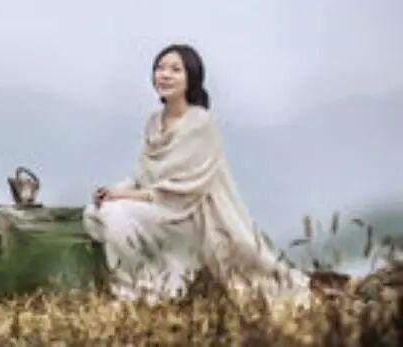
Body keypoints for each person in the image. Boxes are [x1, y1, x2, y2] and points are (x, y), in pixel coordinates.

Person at [83, 44, 310, 307]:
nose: (165, 75)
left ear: (191, 78)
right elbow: (141, 175)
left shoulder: (199, 122)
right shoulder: (154, 121)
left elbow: (183, 189)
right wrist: (111, 192)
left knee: (116, 213)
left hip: (186, 214)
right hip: (155, 208)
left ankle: (136, 291)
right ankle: (146, 278)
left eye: (175, 69)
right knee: (95, 212)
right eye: (160, 68)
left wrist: (123, 196)